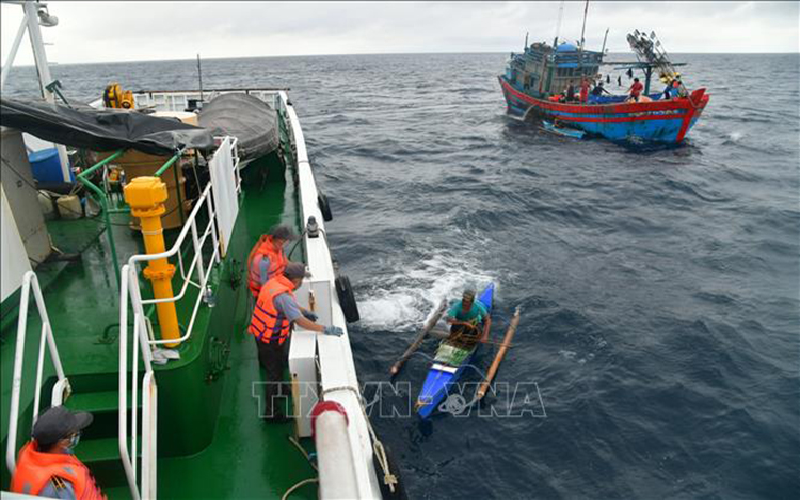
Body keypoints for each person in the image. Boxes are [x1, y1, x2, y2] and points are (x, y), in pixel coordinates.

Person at [249, 262, 343, 422]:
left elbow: (290, 305)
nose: (301, 284)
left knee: (278, 366)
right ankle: (271, 413)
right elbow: (299, 321)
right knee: (273, 373)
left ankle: (282, 388)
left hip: (263, 334)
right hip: (270, 341)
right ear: (295, 280)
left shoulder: (275, 283)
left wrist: (305, 311)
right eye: (301, 280)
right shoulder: (283, 295)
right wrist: (324, 329)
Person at [11, 406, 106, 499]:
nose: (77, 434)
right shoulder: (57, 488)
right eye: (73, 434)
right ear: (62, 442)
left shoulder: (35, 454)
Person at [246, 225, 299, 299]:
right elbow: (264, 286)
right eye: (287, 241)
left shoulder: (278, 248)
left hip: (276, 282)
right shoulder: (265, 259)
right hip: (263, 293)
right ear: (280, 240)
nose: (288, 243)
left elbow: (286, 262)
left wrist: (299, 271)